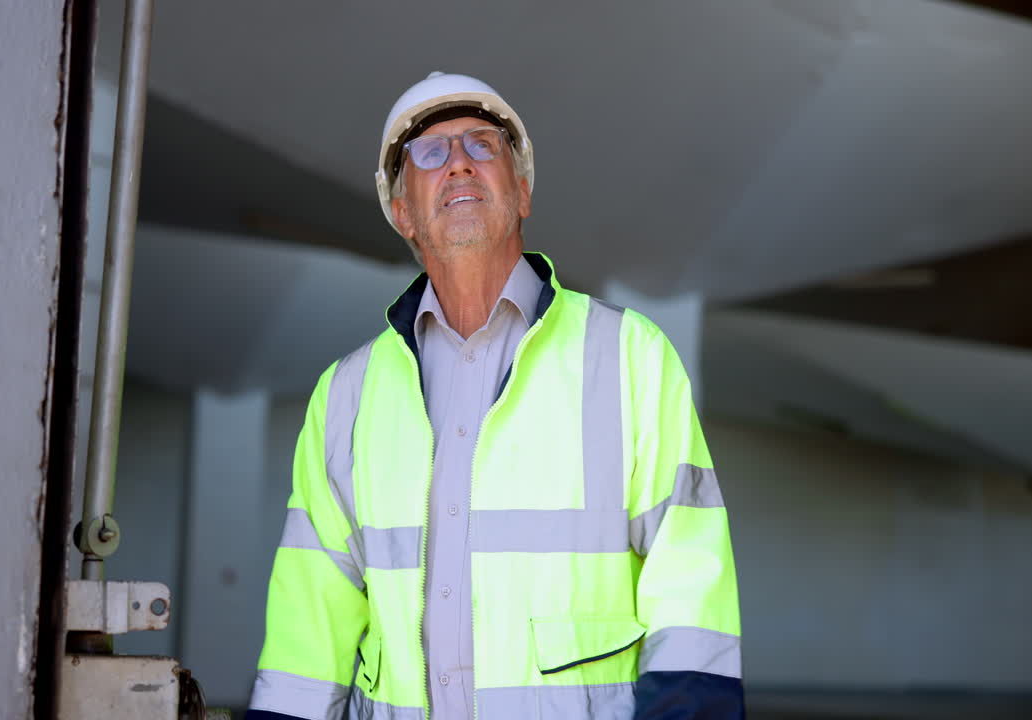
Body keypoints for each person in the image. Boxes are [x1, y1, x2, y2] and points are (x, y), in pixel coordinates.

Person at [247, 72, 743, 720]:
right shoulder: (345, 397)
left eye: (483, 144)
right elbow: (306, 645)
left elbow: (691, 600)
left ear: (523, 190)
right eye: (430, 152)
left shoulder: (631, 359)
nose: (458, 162)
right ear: (402, 213)